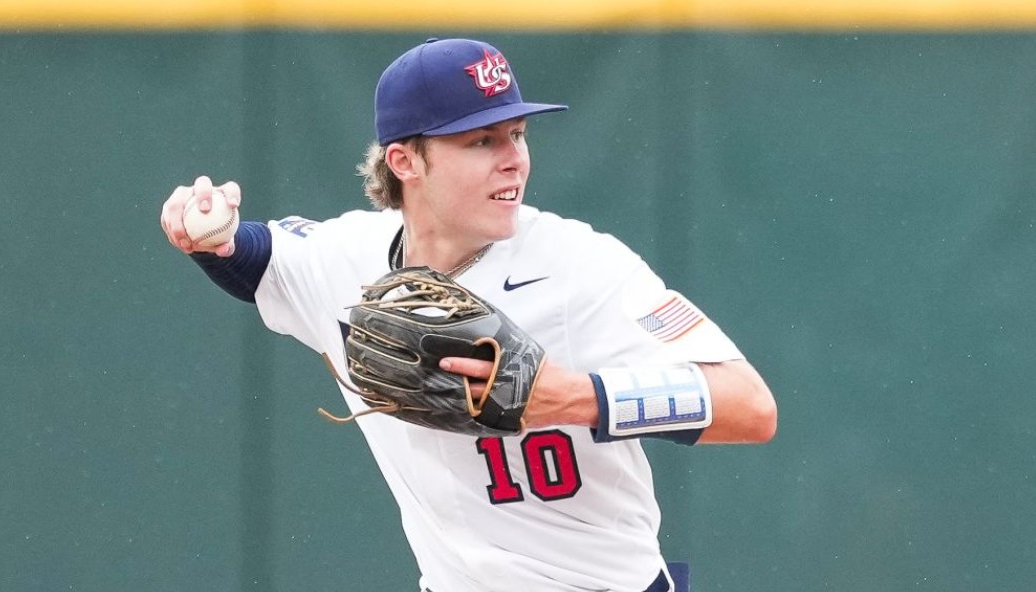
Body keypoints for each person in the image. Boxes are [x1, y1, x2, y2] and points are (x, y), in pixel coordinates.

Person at [160, 37, 776, 592]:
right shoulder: (346, 259)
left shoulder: (578, 265)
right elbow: (261, 259)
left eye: (517, 134)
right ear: (404, 162)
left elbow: (750, 405)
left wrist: (578, 397)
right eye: (481, 140)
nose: (514, 159)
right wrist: (210, 236)